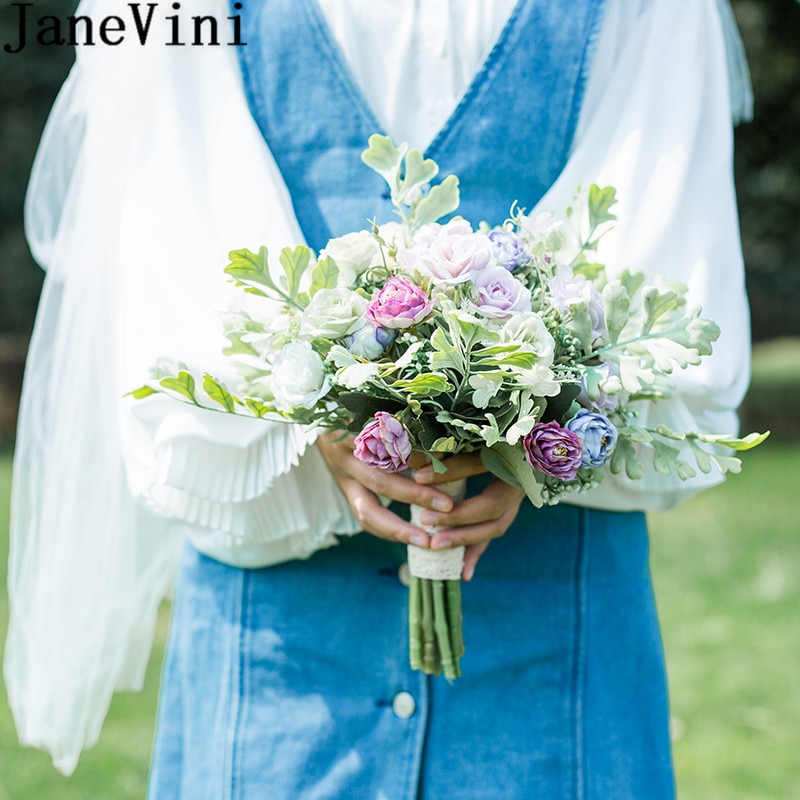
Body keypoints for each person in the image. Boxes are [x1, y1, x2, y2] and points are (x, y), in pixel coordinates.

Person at [4, 0, 754, 797]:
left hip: (554, 663)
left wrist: (532, 427)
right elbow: (168, 225)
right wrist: (313, 421)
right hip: (279, 666)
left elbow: (664, 233)